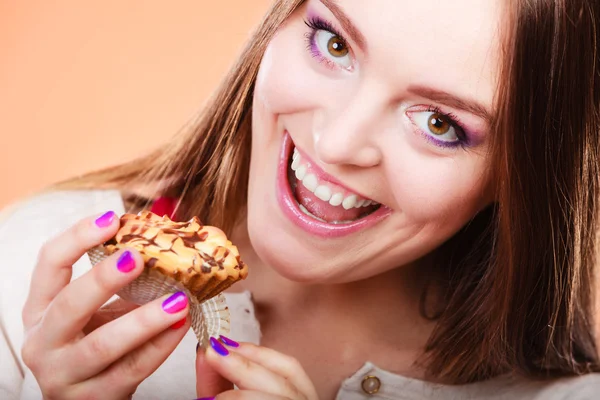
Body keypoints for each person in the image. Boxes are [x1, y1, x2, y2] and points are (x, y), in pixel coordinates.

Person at [2, 0, 600, 398]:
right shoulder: (23, 267)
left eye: (441, 123)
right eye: (335, 45)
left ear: (522, 174)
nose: (336, 142)